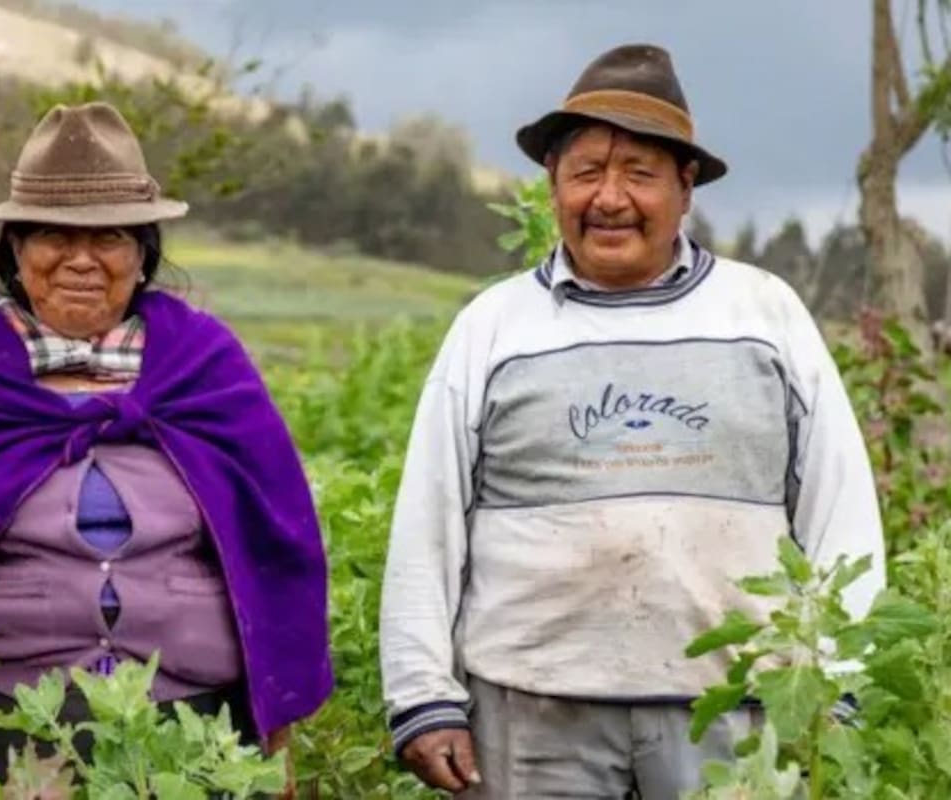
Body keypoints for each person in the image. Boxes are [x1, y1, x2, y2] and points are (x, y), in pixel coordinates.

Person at [379, 44, 886, 799]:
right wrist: (423, 697)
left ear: (686, 187)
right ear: (553, 184)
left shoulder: (764, 313)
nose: (609, 198)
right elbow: (429, 519)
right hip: (532, 713)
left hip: (735, 710)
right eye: (586, 172)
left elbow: (839, 510)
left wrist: (837, 682)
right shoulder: (494, 326)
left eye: (639, 174)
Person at [0, 101, 332, 782]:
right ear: (15, 247)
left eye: (111, 237)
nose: (82, 261)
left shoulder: (202, 364)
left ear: (143, 252)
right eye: (52, 236)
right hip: (5, 728)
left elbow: (274, 538)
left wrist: (277, 729)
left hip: (192, 731)